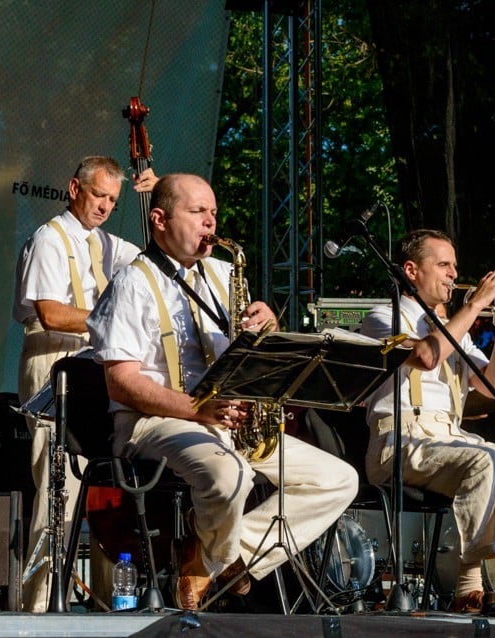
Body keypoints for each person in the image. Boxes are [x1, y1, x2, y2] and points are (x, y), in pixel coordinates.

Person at [87, 173, 358, 610]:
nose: (210, 223)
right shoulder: (131, 282)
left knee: (339, 479)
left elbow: (246, 357)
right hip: (154, 422)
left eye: (213, 213)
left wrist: (267, 329)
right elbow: (121, 381)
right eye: (197, 213)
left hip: (226, 421)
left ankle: (219, 559)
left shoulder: (224, 273)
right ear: (159, 219)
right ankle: (216, 558)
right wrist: (196, 408)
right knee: (232, 477)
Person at [360, 229, 495, 612]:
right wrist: (476, 304)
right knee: (486, 460)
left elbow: (493, 386)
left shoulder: (452, 328)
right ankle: (468, 586)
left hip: (450, 439)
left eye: (455, 266)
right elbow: (427, 357)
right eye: (443, 265)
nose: (452, 274)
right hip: (400, 441)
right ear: (411, 270)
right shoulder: (385, 317)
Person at [12, 156, 156, 612]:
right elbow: (50, 312)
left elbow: (161, 259)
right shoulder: (49, 240)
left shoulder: (112, 245)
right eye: (99, 196)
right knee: (58, 492)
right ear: (74, 188)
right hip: (55, 363)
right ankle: (37, 609)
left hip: (94, 369)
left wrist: (158, 192)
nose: (106, 206)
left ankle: (113, 601)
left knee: (105, 487)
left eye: (113, 200)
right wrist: (109, 322)